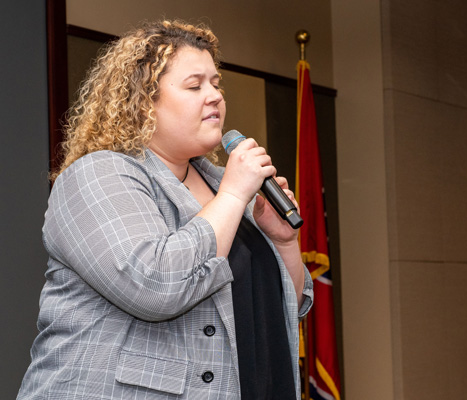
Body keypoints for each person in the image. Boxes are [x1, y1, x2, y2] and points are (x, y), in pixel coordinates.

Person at [17, 19, 313, 400]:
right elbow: (155, 287)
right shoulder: (96, 174)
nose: (215, 96)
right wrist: (235, 195)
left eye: (216, 83)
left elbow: (279, 307)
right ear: (142, 102)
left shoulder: (223, 183)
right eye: (195, 85)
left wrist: (284, 242)